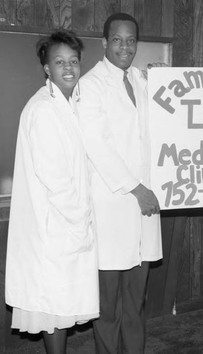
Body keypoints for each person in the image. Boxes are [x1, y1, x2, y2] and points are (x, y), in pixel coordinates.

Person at [5, 30, 99, 353]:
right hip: (56, 227)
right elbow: (56, 181)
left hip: (65, 226)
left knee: (60, 310)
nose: (69, 68)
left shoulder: (69, 102)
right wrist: (82, 220)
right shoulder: (43, 110)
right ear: (47, 67)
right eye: (59, 62)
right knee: (53, 310)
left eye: (74, 61)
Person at [76, 13, 162, 354]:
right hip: (113, 205)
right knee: (108, 304)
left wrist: (163, 79)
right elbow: (96, 145)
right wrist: (137, 190)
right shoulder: (91, 85)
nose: (124, 47)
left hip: (144, 208)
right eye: (117, 40)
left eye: (130, 41)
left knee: (136, 299)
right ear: (104, 43)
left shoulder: (141, 81)